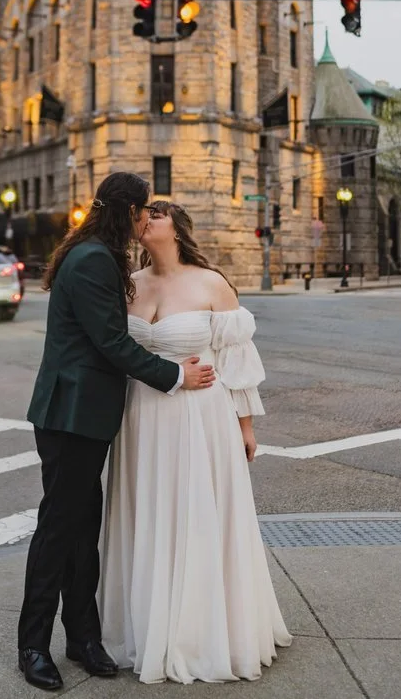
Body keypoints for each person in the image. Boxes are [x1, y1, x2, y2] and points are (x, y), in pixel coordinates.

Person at [18, 173, 216, 692]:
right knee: (60, 530)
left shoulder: (98, 255)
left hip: (87, 416)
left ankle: (82, 637)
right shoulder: (93, 261)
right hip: (70, 416)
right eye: (143, 209)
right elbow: (111, 343)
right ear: (127, 211)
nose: (146, 217)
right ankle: (32, 645)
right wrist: (176, 375)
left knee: (84, 531)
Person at [99, 201, 292, 684]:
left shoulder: (211, 283)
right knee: (150, 514)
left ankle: (200, 633)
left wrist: (246, 426)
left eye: (156, 213)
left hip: (201, 417)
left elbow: (236, 360)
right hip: (141, 419)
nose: (146, 220)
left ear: (177, 228)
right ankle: (147, 627)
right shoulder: (131, 285)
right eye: (143, 215)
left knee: (198, 516)